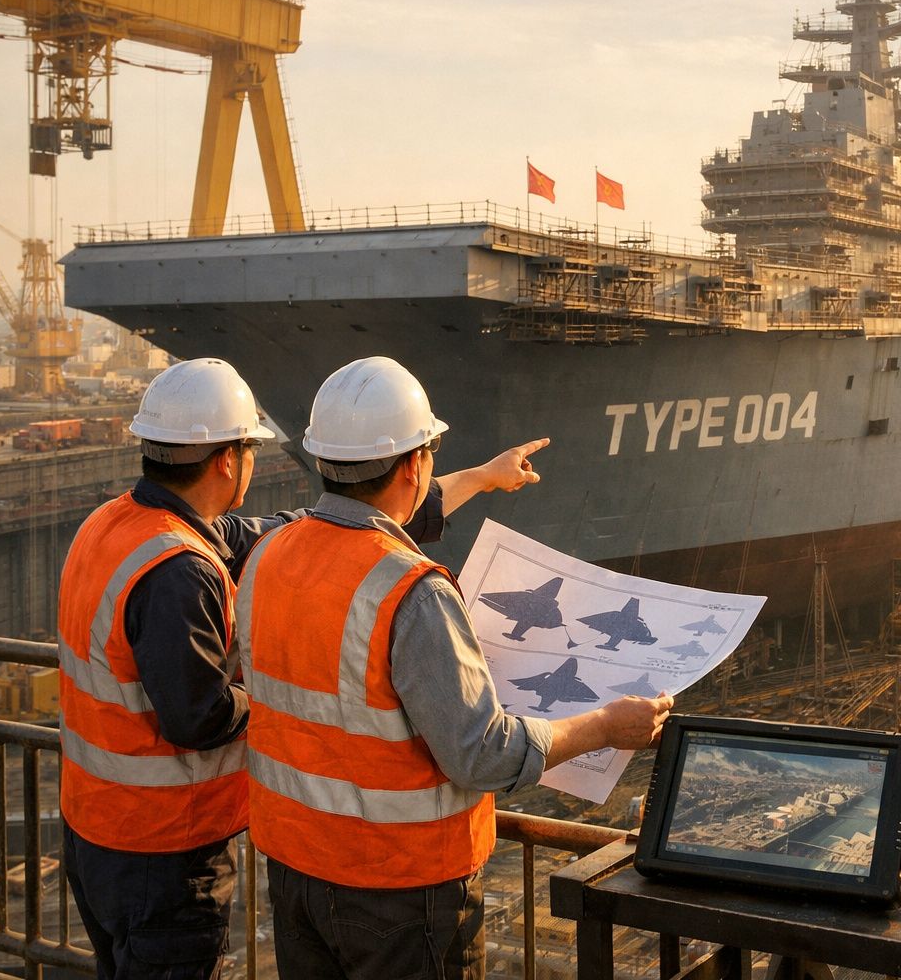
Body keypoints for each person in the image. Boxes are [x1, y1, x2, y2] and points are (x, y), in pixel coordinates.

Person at [57, 357, 546, 980]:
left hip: (96, 831)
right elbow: (197, 716)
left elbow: (331, 523)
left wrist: (477, 478)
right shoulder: (181, 570)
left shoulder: (117, 526)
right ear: (230, 460)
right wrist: (294, 700)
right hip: (162, 850)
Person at [237, 356, 672, 980]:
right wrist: (604, 726)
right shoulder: (413, 591)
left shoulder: (267, 555)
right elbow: (483, 755)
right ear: (416, 463)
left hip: (297, 875)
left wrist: (484, 478)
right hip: (400, 895)